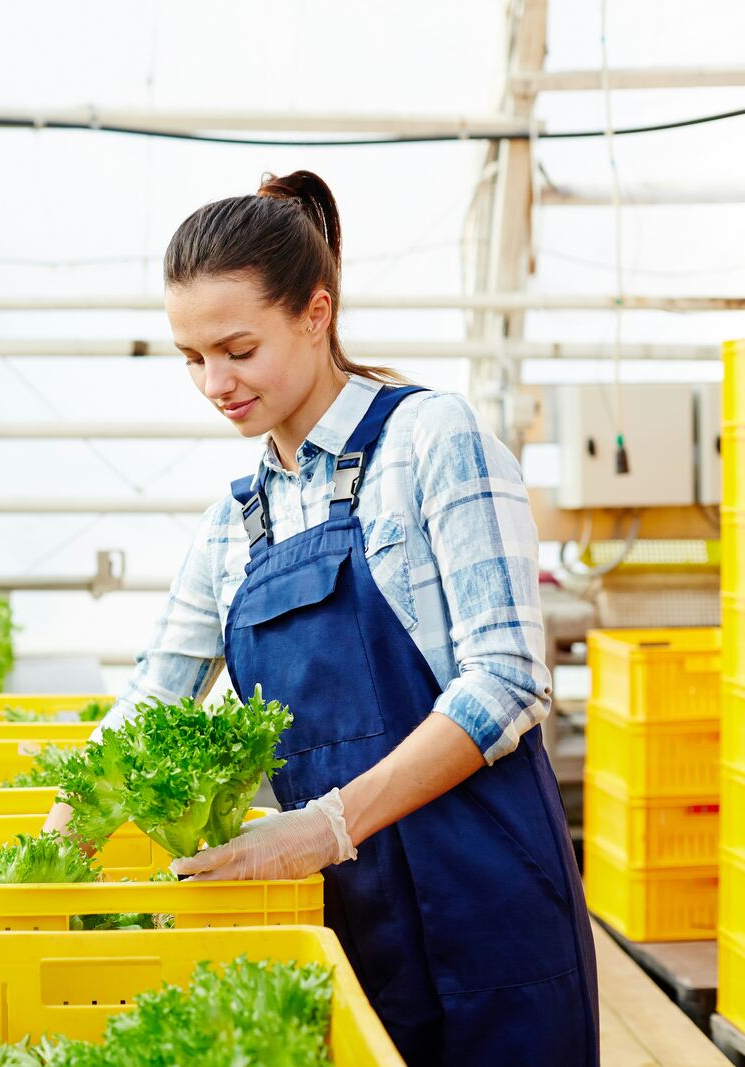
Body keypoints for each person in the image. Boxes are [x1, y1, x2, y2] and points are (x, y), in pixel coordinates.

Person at [43, 170, 598, 1066]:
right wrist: (50, 850)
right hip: (340, 917)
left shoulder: (431, 440)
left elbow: (508, 679)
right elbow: (152, 701)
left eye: (238, 349)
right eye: (192, 358)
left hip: (487, 898)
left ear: (315, 312)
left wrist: (327, 824)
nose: (215, 383)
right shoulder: (232, 526)